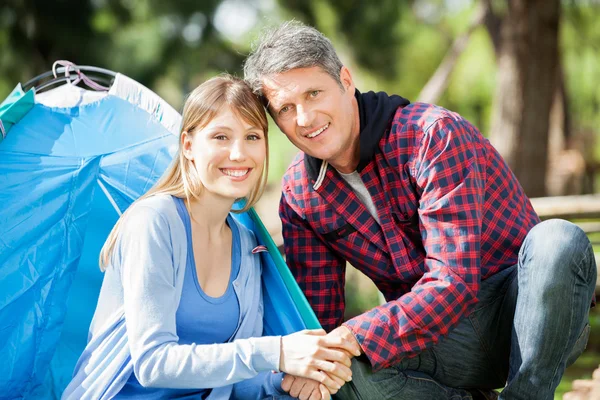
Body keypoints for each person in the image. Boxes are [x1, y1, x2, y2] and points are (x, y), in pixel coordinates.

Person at [243, 21, 597, 400]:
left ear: (346, 81)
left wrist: (356, 334)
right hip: (437, 342)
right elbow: (317, 319)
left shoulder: (432, 135)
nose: (304, 118)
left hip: (527, 319)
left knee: (557, 240)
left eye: (314, 93)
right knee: (337, 374)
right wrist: (312, 368)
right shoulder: (301, 193)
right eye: (285, 108)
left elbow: (453, 284)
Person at [61, 75, 358, 400]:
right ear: (188, 145)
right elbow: (152, 363)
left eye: (252, 137)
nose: (238, 153)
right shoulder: (155, 222)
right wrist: (279, 350)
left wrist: (284, 381)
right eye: (220, 137)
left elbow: (234, 380)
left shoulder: (246, 245)